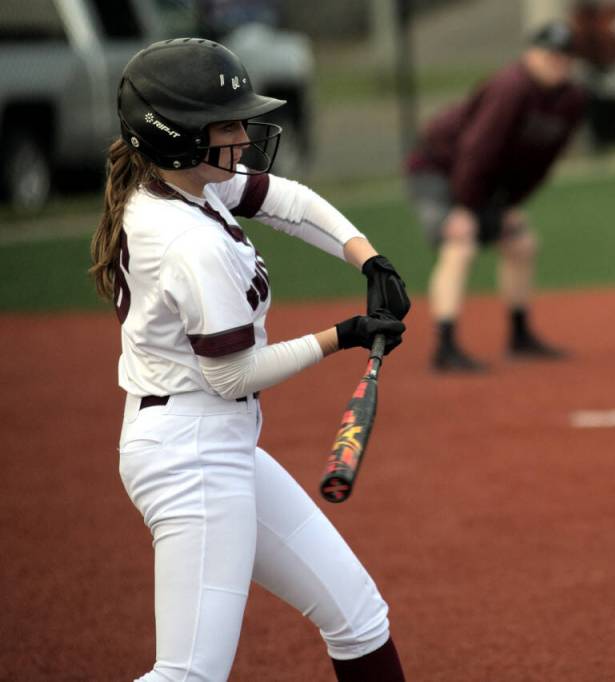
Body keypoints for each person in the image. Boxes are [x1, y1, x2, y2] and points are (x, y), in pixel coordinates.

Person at [88, 38, 410, 681]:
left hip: (211, 441)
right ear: (175, 134)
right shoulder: (187, 242)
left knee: (358, 617)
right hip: (192, 454)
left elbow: (285, 200)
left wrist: (365, 256)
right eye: (226, 122)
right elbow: (232, 374)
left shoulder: (180, 186)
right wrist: (342, 335)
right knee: (188, 674)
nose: (243, 133)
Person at [405, 20, 587, 372]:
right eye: (550, 54)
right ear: (531, 54)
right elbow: (477, 149)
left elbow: (541, 162)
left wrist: (508, 207)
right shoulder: (511, 88)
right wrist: (461, 208)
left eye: (565, 56)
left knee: (521, 243)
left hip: (478, 179)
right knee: (461, 241)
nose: (557, 62)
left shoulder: (572, 100)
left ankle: (519, 336)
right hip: (437, 169)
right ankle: (445, 346)